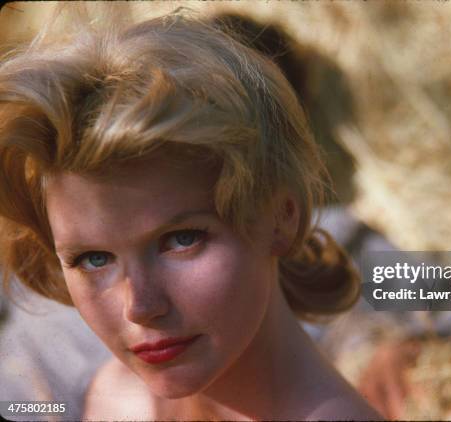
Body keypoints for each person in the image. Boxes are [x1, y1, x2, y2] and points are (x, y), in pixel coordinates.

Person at [0, 9, 382, 421]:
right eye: (93, 258)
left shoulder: (357, 240)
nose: (139, 306)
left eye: (181, 240)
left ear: (282, 216)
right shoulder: (114, 396)